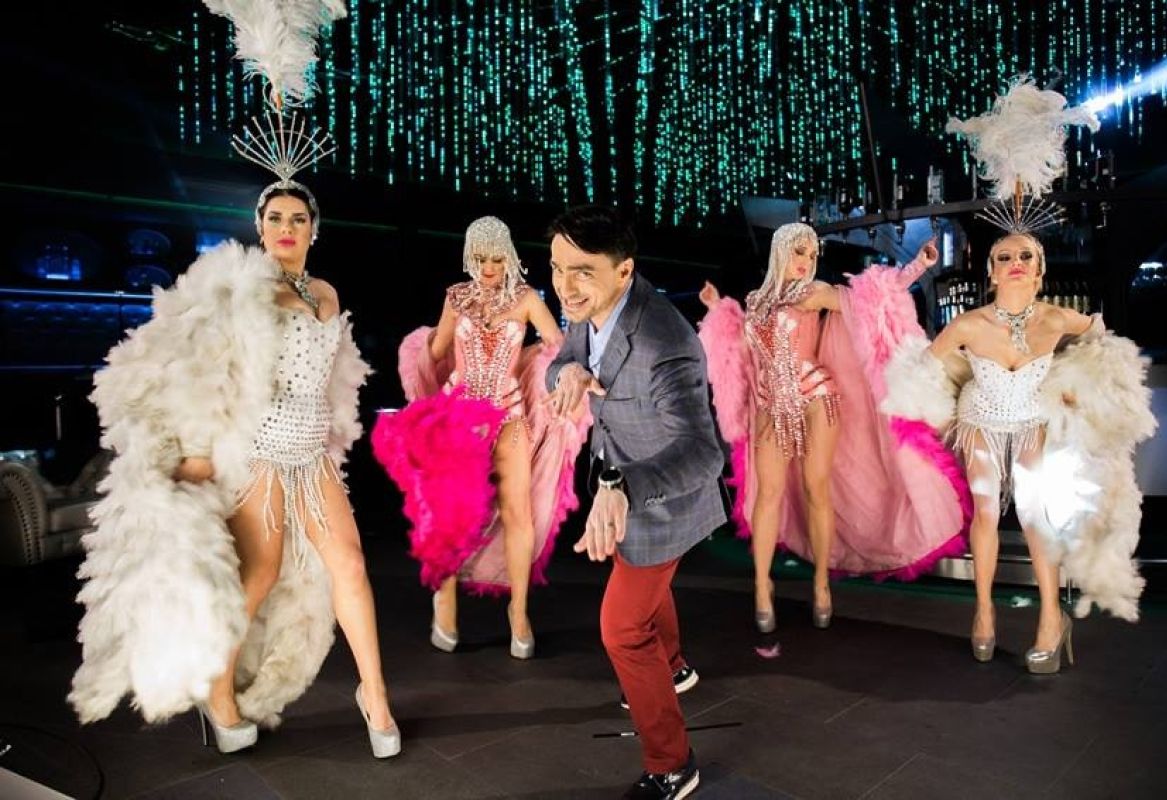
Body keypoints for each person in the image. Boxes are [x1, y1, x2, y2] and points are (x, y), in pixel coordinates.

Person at [70, 180, 400, 758]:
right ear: (260, 227)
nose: (286, 228)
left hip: (312, 453)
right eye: (275, 218)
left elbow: (332, 378)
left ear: (314, 228)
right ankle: (217, 692)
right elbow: (205, 367)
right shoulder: (243, 289)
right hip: (260, 450)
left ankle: (374, 695)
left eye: (298, 218)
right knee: (259, 575)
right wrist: (199, 449)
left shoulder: (326, 291)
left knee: (349, 564)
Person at [884, 77, 1156, 672]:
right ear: (990, 271)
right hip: (981, 424)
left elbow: (1101, 337)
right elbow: (923, 369)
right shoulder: (969, 325)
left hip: (1034, 425)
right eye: (1004, 256)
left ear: (1039, 271)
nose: (1014, 262)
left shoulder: (1058, 318)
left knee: (1035, 516)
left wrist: (1080, 390)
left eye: (1025, 256)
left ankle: (1050, 620)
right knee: (985, 511)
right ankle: (983, 611)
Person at [698, 224, 970, 633]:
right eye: (798, 252)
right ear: (779, 251)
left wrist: (918, 266)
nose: (806, 262)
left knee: (816, 489)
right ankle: (761, 586)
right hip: (770, 406)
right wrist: (717, 310)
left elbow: (873, 299)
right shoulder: (755, 302)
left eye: (811, 255)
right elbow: (742, 355)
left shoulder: (813, 292)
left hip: (816, 397)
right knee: (767, 494)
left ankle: (822, 584)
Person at [546, 205, 724, 800]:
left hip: (663, 500)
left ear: (624, 271)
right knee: (644, 587)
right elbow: (563, 359)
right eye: (556, 268)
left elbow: (703, 452)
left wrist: (622, 488)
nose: (564, 286)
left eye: (581, 271)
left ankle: (673, 765)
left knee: (622, 630)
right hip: (618, 484)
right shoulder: (589, 304)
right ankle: (673, 667)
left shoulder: (665, 340)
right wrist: (568, 374)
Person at [372, 216, 589, 658]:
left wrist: (548, 362)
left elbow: (559, 346)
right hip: (459, 416)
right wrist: (424, 351)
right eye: (480, 258)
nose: (489, 268)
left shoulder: (526, 299)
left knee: (518, 512)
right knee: (451, 513)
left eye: (496, 259)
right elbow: (436, 352)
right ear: (470, 257)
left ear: (508, 257)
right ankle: (446, 597)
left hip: (509, 416)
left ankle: (519, 611)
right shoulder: (456, 297)